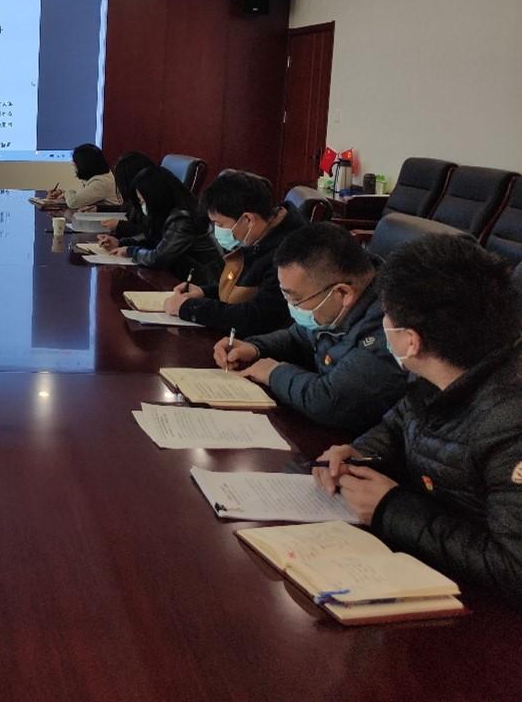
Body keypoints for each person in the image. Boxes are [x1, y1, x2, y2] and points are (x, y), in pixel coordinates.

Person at [315, 235, 522, 601]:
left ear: (410, 340)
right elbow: (399, 424)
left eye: (386, 316)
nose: (383, 324)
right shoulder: (438, 368)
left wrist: (389, 508)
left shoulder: (509, 422)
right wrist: (359, 454)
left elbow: (514, 567)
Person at [214, 222, 408, 430]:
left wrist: (273, 373)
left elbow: (329, 401)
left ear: (342, 293)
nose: (291, 306)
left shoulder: (391, 326)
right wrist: (255, 348)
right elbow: (298, 337)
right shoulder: (334, 305)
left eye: (296, 299)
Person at [165, 170, 306, 336]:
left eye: (220, 224)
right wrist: (205, 293)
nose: (216, 231)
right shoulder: (260, 233)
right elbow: (247, 289)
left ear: (248, 219)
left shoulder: (289, 254)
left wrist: (189, 308)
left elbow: (258, 318)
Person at [97, 165, 223, 285]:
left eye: (143, 201)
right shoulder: (166, 214)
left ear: (157, 198)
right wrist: (121, 243)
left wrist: (130, 251)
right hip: (183, 277)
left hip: (204, 283)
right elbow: (152, 239)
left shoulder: (183, 219)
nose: (142, 206)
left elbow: (158, 258)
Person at [99, 151, 157, 240]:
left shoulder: (152, 201)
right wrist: (98, 208)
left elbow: (151, 233)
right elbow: (126, 208)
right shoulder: (139, 198)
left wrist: (120, 226)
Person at [45, 144, 119, 210]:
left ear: (83, 165)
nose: (73, 164)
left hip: (107, 219)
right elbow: (80, 197)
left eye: (75, 162)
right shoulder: (101, 177)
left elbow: (73, 202)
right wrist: (62, 193)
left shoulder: (100, 183)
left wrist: (67, 192)